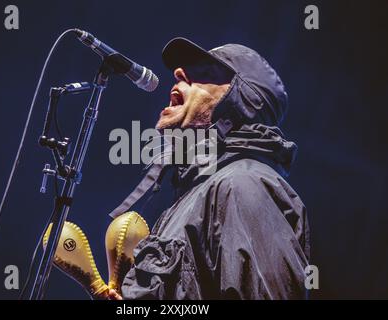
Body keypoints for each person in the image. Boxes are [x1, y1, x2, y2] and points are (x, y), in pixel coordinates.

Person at [109, 37, 310, 300]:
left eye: (204, 73)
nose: (178, 73)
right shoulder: (194, 197)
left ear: (242, 101)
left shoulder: (243, 185)